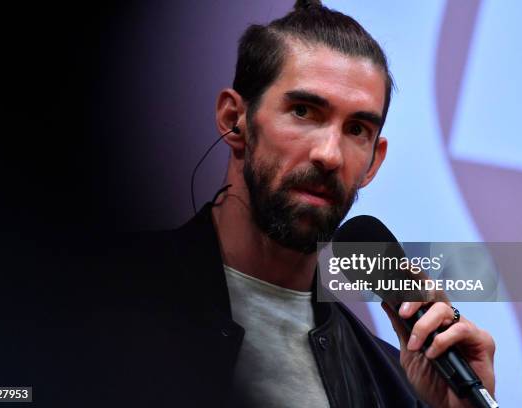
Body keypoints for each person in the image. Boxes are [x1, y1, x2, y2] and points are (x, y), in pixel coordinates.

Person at [153, 0, 497, 407]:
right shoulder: (100, 298)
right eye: (303, 111)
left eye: (356, 129)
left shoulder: (392, 384)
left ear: (373, 162)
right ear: (234, 120)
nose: (330, 155)